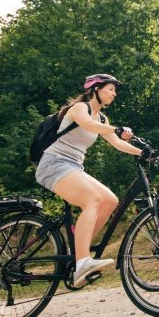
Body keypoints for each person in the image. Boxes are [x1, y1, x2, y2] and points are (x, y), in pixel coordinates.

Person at [34, 73, 142, 287]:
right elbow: (88, 125)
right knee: (92, 199)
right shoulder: (80, 108)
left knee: (110, 200)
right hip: (53, 164)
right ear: (95, 89)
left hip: (74, 167)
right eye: (110, 89)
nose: (114, 93)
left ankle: (79, 253)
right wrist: (117, 129)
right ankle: (83, 261)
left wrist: (143, 153)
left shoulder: (102, 118)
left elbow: (117, 143)